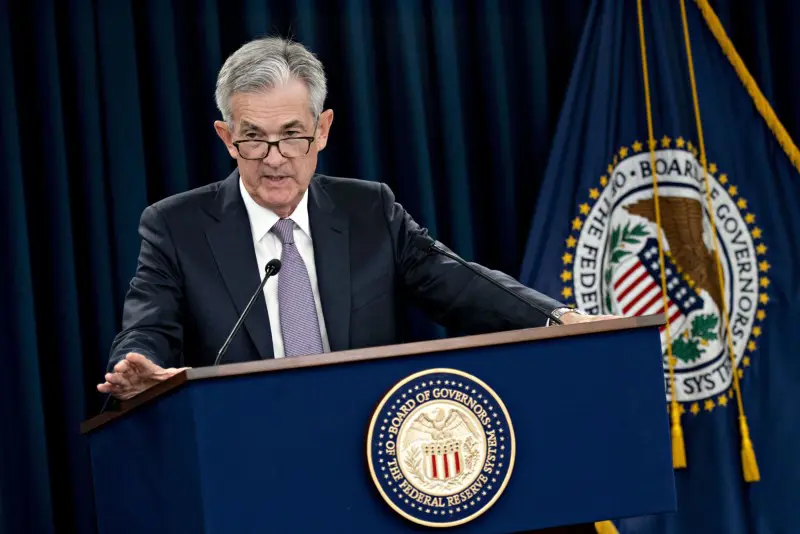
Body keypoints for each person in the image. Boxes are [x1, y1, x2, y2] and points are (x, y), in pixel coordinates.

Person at [97, 37, 610, 401]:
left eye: (293, 135)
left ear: (322, 130)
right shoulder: (175, 227)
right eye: (253, 137)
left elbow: (460, 283)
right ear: (227, 138)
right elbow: (148, 327)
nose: (274, 158)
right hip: (247, 453)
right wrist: (139, 365)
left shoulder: (369, 212)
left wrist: (557, 318)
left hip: (370, 446)